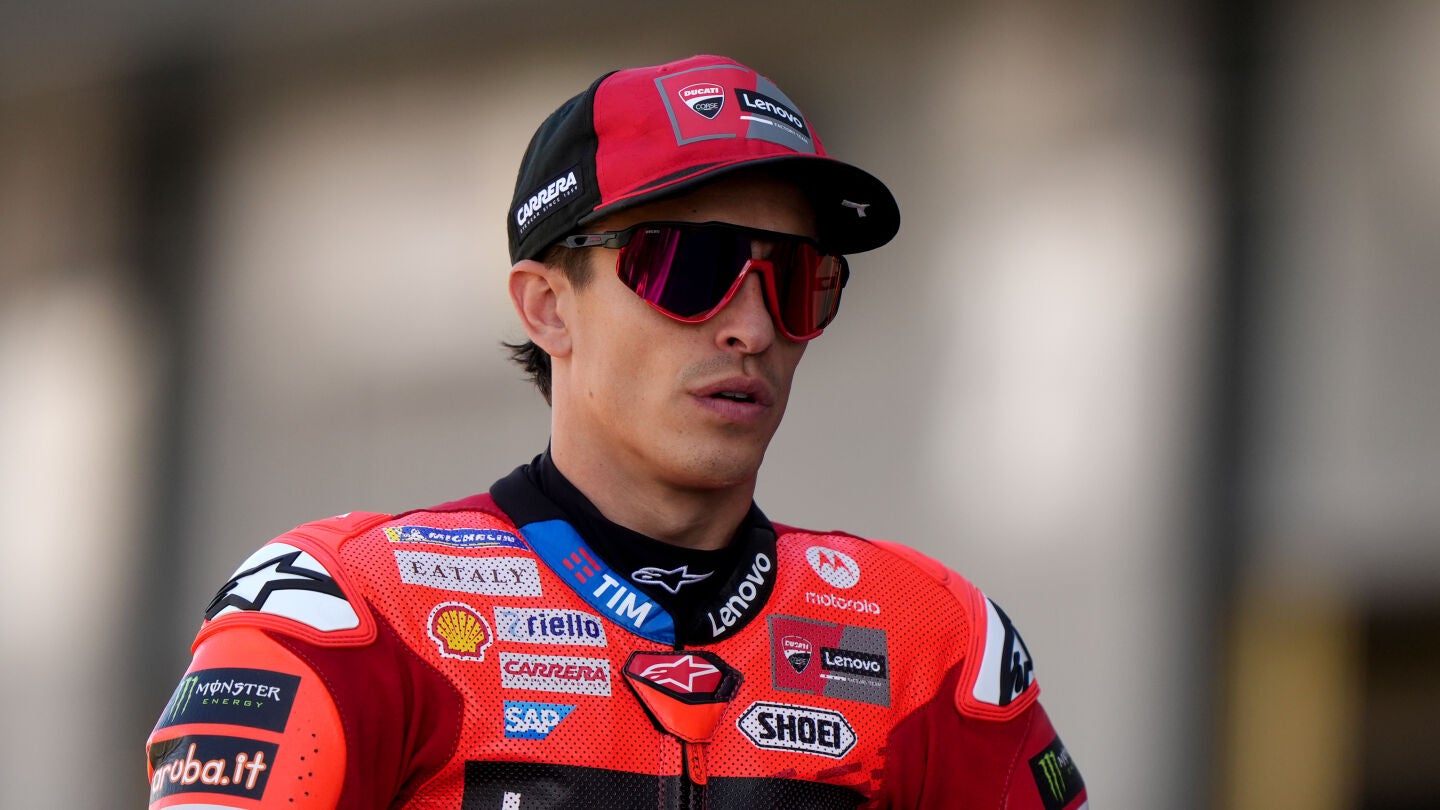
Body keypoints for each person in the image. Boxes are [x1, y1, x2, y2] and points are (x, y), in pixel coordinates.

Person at [145, 54, 1088, 810]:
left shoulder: (930, 643)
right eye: (689, 267)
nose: (752, 327)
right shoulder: (348, 613)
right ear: (547, 307)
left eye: (798, 279)